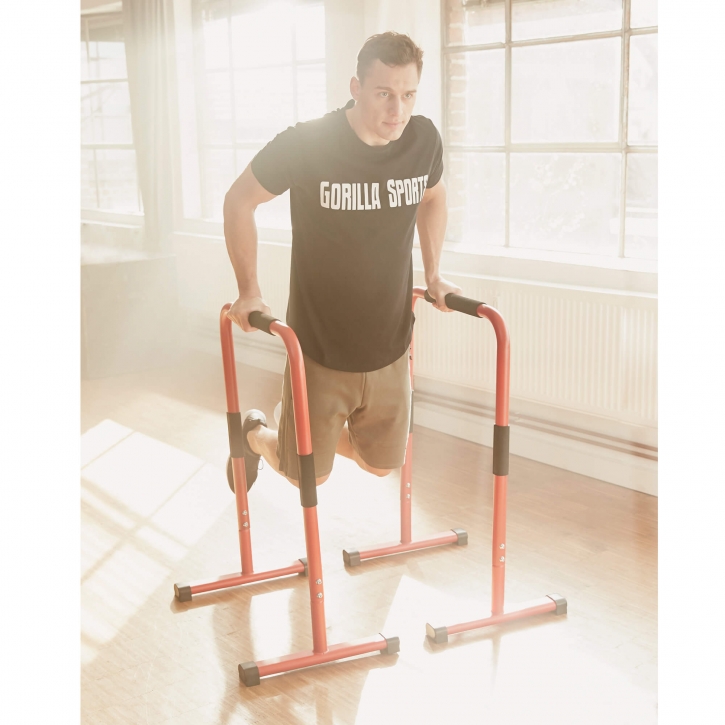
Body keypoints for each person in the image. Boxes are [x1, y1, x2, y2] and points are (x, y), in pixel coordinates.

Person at [223, 31, 461, 491]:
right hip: (320, 346)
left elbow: (433, 197)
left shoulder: (423, 140)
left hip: (390, 342)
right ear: (356, 87)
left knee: (380, 466)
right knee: (306, 476)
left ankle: (303, 433)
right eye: (384, 94)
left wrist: (434, 274)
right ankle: (256, 435)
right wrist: (248, 290)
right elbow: (239, 201)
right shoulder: (308, 143)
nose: (397, 111)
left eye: (408, 95)